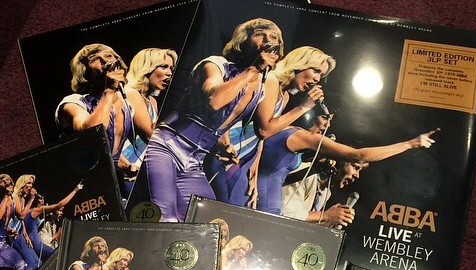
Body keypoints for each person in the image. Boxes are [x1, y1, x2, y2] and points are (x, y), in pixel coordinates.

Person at [135, 18, 284, 221]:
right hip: (167, 147)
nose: (267, 40)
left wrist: (224, 142)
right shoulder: (216, 64)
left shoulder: (263, 86)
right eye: (260, 34)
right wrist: (253, 70)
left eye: (273, 37)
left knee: (204, 221)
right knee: (166, 217)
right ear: (244, 40)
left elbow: (263, 129)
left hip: (195, 160)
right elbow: (214, 100)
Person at [255, 107, 437, 215]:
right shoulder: (305, 167)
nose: (327, 125)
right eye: (324, 117)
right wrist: (410, 144)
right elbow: (359, 156)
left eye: (330, 120)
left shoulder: (325, 192)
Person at [222, 46, 335, 209]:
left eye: (321, 75)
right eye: (316, 71)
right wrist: (303, 107)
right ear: (300, 64)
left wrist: (254, 172)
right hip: (229, 152)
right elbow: (264, 130)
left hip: (244, 160)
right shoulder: (271, 81)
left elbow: (262, 139)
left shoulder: (285, 95)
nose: (317, 79)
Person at [56, 44, 140, 197]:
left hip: (112, 183)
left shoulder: (127, 106)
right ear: (85, 70)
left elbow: (109, 150)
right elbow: (92, 134)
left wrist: (127, 166)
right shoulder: (73, 103)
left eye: (108, 55)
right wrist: (109, 91)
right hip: (82, 186)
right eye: (95, 59)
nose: (105, 61)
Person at [120, 48, 177, 195]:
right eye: (164, 67)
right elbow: (151, 135)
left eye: (171, 68)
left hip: (144, 169)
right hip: (128, 169)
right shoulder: (131, 94)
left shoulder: (152, 101)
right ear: (146, 68)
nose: (169, 73)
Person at [13, 174, 83, 262]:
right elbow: (59, 205)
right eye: (29, 183)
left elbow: (22, 221)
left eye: (32, 184)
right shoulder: (33, 210)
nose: (31, 186)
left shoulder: (24, 204)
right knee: (61, 258)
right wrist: (75, 190)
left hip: (32, 247)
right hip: (38, 247)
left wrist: (26, 234)